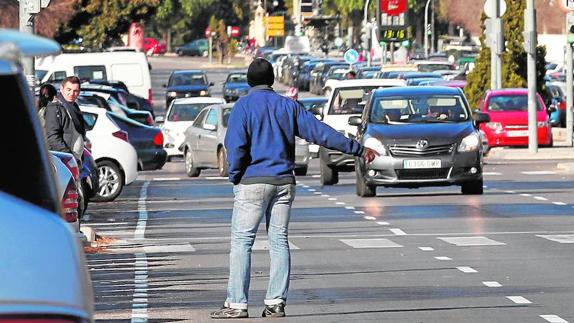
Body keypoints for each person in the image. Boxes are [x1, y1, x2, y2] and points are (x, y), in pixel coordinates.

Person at [209, 59, 378, 319]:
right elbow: (320, 132)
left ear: (248, 81)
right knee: (278, 241)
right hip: (284, 182)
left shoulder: (242, 107)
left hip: (252, 182)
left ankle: (237, 304)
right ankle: (276, 302)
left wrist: (236, 175)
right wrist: (357, 149)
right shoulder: (288, 106)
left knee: (243, 242)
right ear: (273, 79)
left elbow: (236, 145)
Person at [44, 76, 86, 163]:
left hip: (74, 160)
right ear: (62, 89)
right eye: (69, 89)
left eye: (75, 91)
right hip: (62, 160)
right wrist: (68, 156)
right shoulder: (54, 107)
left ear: (79, 92)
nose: (71, 93)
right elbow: (52, 136)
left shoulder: (74, 106)